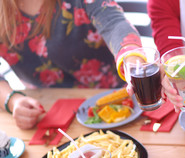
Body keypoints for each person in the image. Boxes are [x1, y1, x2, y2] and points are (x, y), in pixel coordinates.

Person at [0, 0, 142, 129]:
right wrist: (12, 100)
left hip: (116, 105)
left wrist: (131, 56)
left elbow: (114, 23)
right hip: (45, 114)